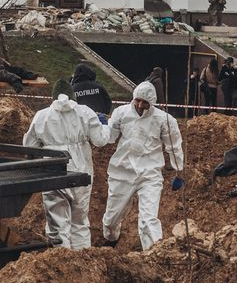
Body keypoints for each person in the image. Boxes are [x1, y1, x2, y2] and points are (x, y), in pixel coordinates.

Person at [101, 82, 184, 251]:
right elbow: (109, 137)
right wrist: (100, 127)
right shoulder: (121, 113)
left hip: (150, 174)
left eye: (145, 103)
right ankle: (110, 240)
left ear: (152, 103)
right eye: (137, 101)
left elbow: (173, 146)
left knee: (148, 219)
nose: (140, 105)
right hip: (122, 171)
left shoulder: (164, 120)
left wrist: (179, 171)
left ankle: (154, 253)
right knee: (111, 219)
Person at [23, 92, 110, 250]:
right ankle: (82, 260)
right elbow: (100, 140)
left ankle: (62, 262)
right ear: (72, 97)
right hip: (81, 172)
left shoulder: (42, 116)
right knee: (80, 222)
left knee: (58, 222)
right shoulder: (85, 112)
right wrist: (104, 125)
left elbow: (29, 146)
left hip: (54, 170)